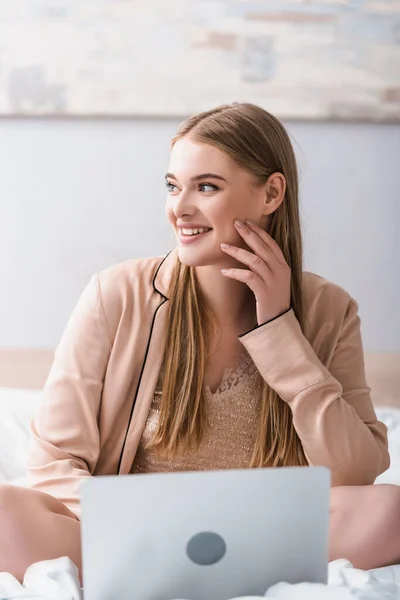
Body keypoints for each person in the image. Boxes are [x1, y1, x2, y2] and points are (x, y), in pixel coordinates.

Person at [0, 103, 399, 583]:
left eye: (205, 186)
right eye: (173, 186)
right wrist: (144, 527)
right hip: (132, 536)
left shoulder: (330, 310)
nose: (179, 208)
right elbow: (54, 461)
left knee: (390, 510)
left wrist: (279, 330)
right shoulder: (116, 293)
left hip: (266, 532)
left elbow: (354, 474)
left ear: (271, 193)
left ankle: (206, 572)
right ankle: (201, 572)